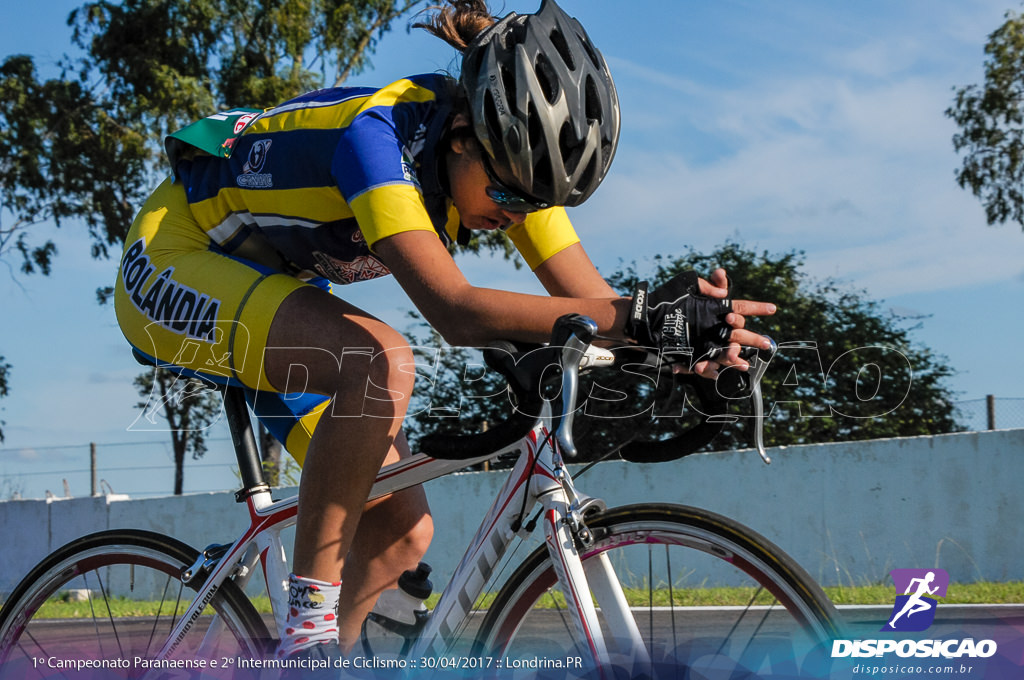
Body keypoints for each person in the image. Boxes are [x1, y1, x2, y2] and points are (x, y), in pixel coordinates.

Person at [113, 0, 776, 662]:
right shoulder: (372, 139)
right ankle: (306, 633)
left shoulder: (506, 161)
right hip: (175, 254)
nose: (518, 218)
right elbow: (453, 309)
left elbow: (596, 307)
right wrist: (643, 318)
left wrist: (686, 349)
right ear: (461, 133)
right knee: (379, 360)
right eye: (511, 198)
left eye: (537, 206)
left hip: (274, 279)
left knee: (402, 531)